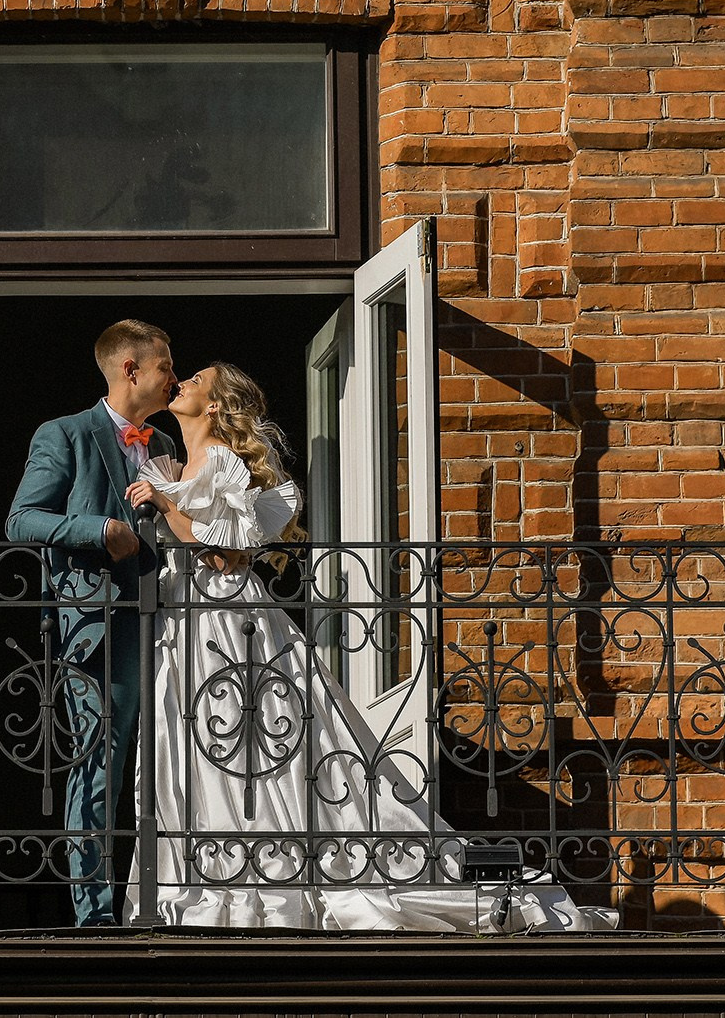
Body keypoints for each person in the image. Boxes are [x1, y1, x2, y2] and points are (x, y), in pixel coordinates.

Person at [125, 362, 605, 932]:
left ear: (213, 404)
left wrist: (165, 505)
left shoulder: (222, 462)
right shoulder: (182, 464)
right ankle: (205, 877)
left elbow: (223, 551)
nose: (180, 381)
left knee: (249, 733)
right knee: (197, 742)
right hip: (187, 621)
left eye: (195, 378)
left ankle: (263, 884)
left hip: (227, 617)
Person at [4, 318, 181, 927]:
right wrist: (98, 532)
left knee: (170, 761)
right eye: (166, 366)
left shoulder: (163, 446)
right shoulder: (66, 434)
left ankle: (170, 899)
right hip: (103, 626)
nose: (173, 378)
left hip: (174, 623)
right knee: (103, 763)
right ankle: (97, 912)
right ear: (131, 369)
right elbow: (22, 520)